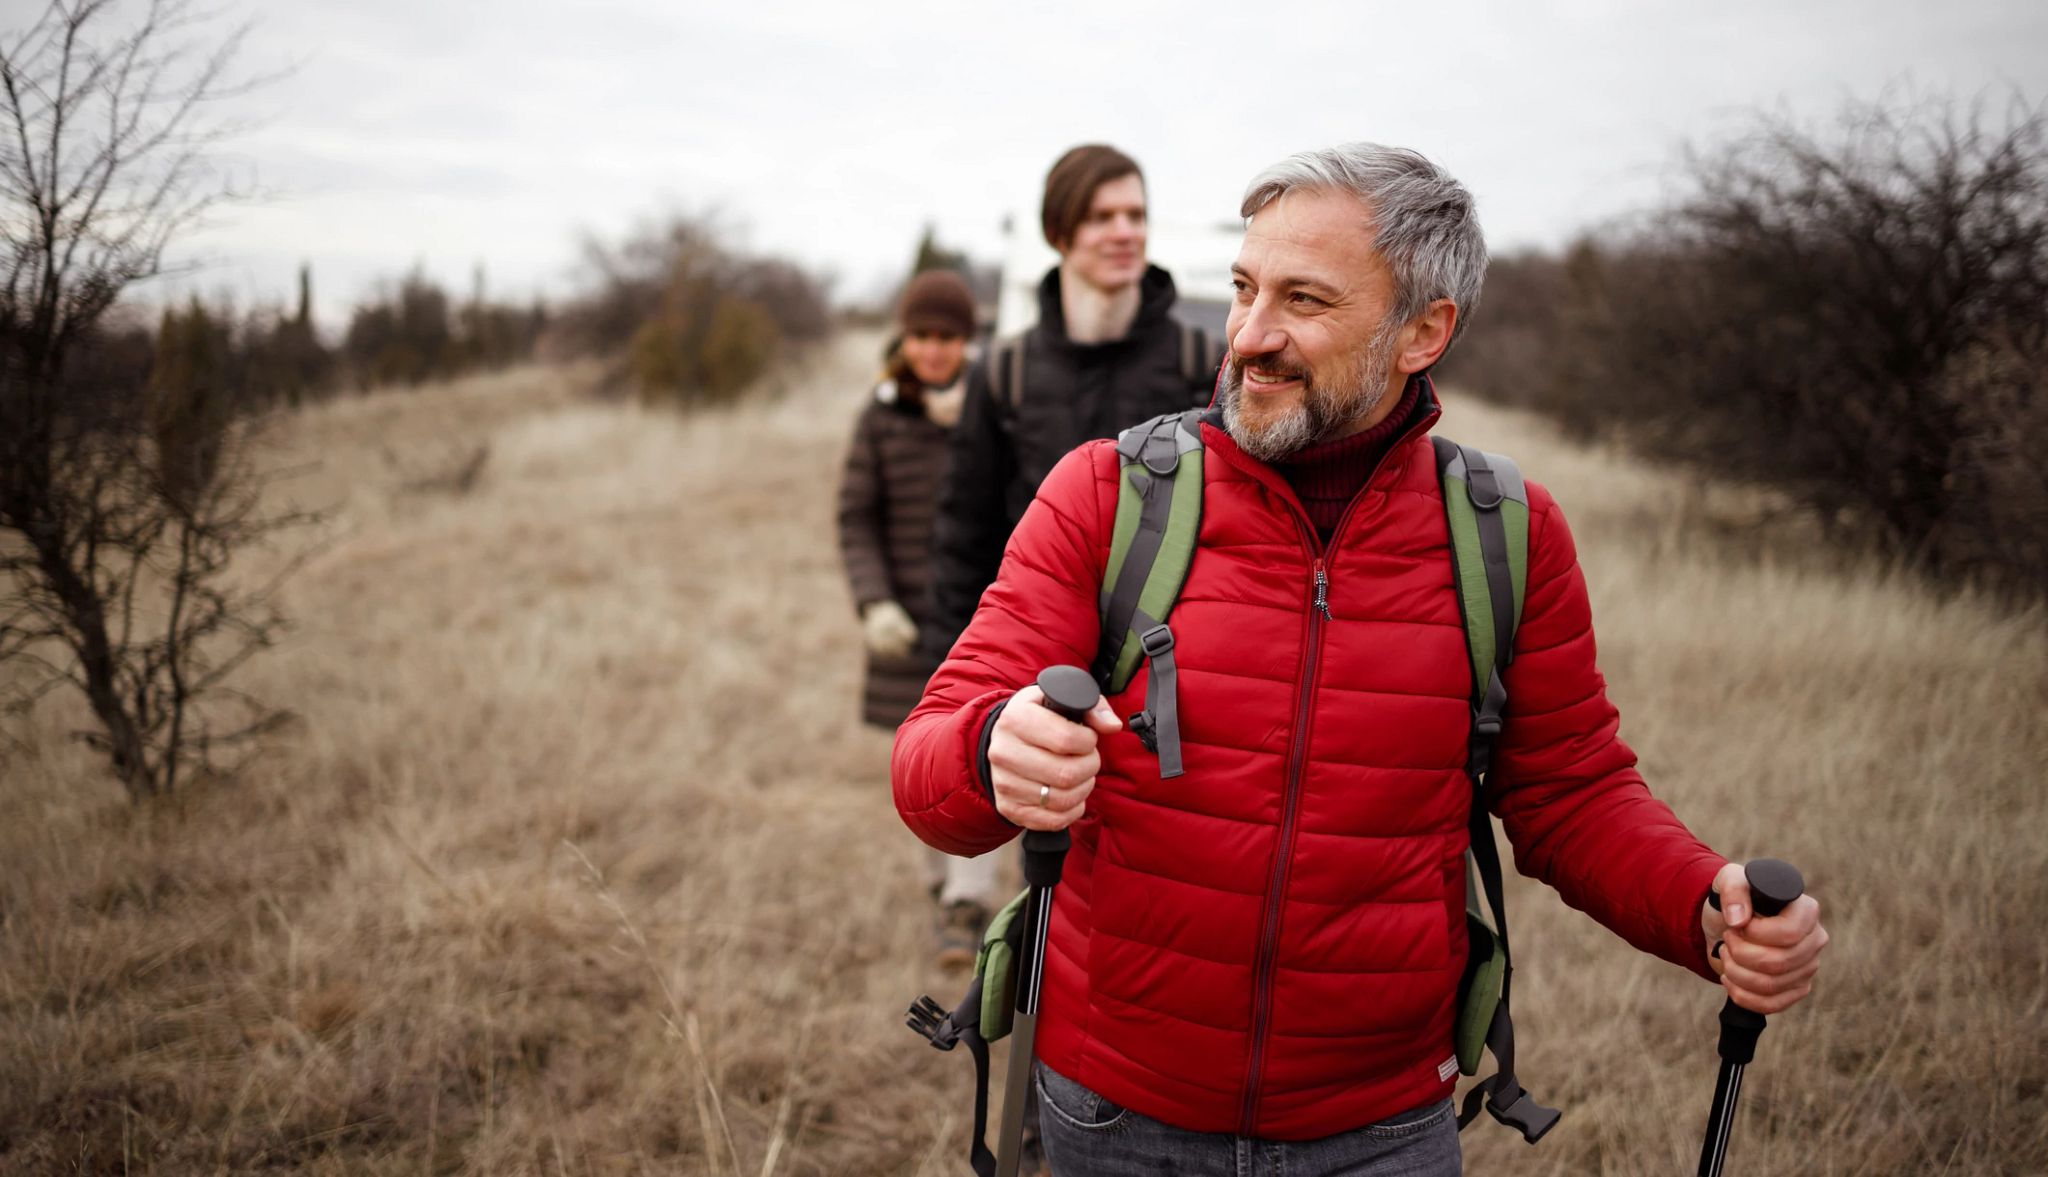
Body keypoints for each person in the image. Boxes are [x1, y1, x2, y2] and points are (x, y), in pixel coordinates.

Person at [892, 143, 1829, 1174]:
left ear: (1423, 330)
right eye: (1244, 289)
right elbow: (929, 761)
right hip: (1116, 1113)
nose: (1247, 335)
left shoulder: (1503, 535)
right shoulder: (1109, 496)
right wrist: (991, 749)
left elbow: (1569, 791)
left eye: (1302, 299)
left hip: (1378, 1131)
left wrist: (1703, 905)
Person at [924, 144, 1220, 656]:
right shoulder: (1003, 373)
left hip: (1168, 662)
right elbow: (965, 538)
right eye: (1101, 217)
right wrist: (950, 679)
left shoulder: (1202, 363)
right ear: (1058, 233)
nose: (1125, 231)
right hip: (1034, 650)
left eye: (1136, 214)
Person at [836, 269, 1002, 969]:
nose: (935, 349)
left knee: (980, 756)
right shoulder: (879, 416)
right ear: (905, 338)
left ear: (967, 341)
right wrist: (873, 601)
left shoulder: (992, 409)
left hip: (980, 619)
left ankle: (967, 902)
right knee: (923, 762)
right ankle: (942, 886)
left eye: (949, 337)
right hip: (905, 623)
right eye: (923, 335)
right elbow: (855, 516)